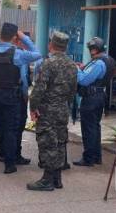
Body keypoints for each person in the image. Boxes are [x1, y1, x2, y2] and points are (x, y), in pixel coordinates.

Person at [0, 23, 42, 174]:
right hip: (10, 97)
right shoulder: (18, 54)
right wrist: (24, 38)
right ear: (14, 37)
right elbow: (37, 53)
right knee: (10, 131)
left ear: (0, 34)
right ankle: (9, 165)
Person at [27, 31, 78, 191]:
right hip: (62, 108)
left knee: (48, 142)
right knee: (60, 141)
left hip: (48, 109)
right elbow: (73, 90)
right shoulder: (72, 64)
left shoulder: (48, 63)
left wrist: (33, 107)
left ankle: (47, 180)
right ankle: (57, 178)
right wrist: (65, 105)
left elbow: (39, 89)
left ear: (51, 44)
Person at [73, 37, 115, 167]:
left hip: (91, 98)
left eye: (91, 48)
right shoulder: (108, 60)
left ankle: (88, 158)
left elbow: (84, 80)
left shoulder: (98, 63)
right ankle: (96, 156)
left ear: (94, 49)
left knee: (88, 129)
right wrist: (83, 68)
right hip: (99, 95)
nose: (90, 51)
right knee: (95, 127)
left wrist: (77, 69)